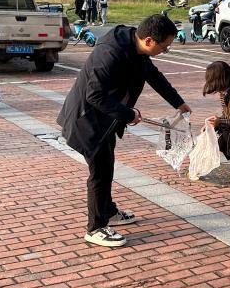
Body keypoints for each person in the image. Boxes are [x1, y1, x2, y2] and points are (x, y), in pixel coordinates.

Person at [58, 14, 191, 248]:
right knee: (99, 172)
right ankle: (96, 228)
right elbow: (94, 95)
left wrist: (178, 103)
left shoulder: (135, 49)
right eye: (165, 47)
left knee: (107, 165)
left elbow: (154, 76)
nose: (165, 50)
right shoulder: (110, 54)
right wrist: (128, 114)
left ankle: (108, 211)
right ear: (149, 40)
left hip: (106, 119)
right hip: (86, 120)